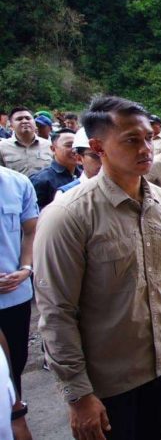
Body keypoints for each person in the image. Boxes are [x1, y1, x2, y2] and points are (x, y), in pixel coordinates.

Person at [34, 96, 161, 440]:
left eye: (147, 138)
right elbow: (56, 312)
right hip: (108, 383)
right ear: (98, 147)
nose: (145, 149)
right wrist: (78, 395)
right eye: (131, 140)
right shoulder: (68, 216)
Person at [0, 166, 37, 435]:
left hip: (14, 296)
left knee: (14, 365)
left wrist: (26, 268)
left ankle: (14, 416)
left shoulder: (18, 183)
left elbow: (31, 231)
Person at [30, 128, 81, 209]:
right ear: (53, 149)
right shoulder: (41, 180)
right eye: (69, 145)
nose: (75, 150)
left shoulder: (84, 174)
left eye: (77, 146)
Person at [0, 107, 53, 176]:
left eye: (28, 118)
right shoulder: (2, 147)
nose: (25, 121)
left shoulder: (50, 146)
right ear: (11, 126)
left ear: (35, 123)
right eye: (19, 119)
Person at [55, 127, 103, 197]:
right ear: (79, 158)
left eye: (110, 155)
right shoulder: (67, 195)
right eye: (96, 156)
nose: (104, 161)